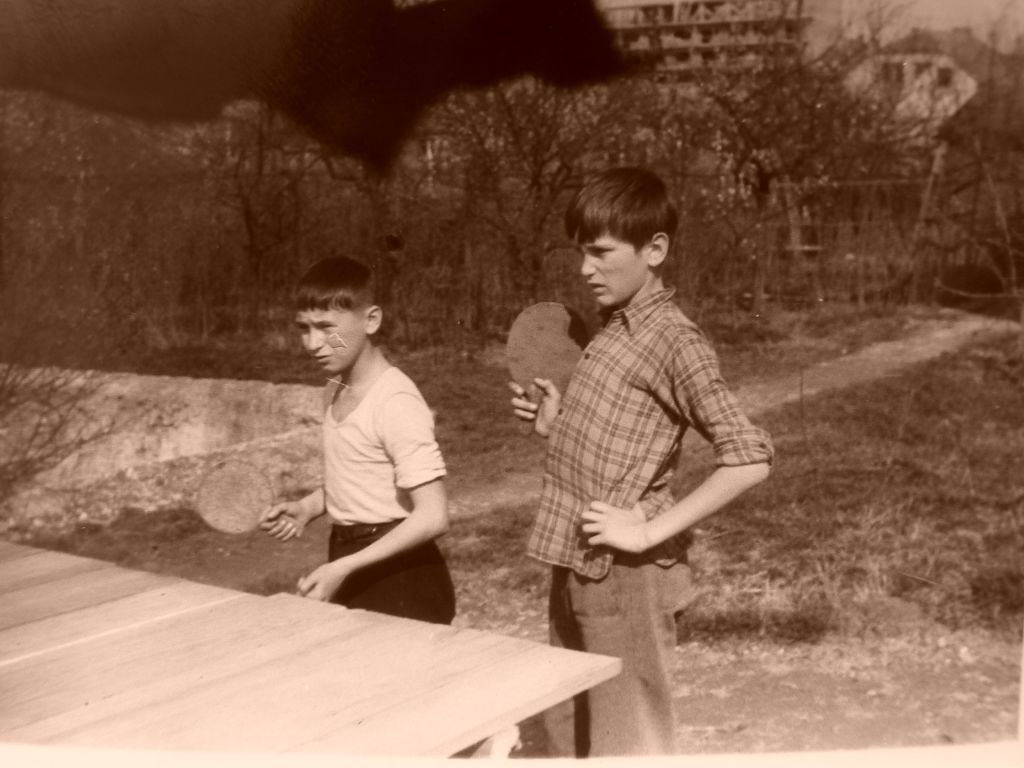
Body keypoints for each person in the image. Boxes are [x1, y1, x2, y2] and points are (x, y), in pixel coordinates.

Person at [509, 167, 774, 756]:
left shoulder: (674, 340)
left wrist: (650, 531)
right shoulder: (612, 329)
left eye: (601, 252)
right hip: (576, 563)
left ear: (655, 250)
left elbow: (749, 456)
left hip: (625, 577)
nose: (586, 269)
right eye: (581, 252)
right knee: (566, 731)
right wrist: (556, 423)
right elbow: (621, 447)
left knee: (627, 744)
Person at [261, 256, 456, 625]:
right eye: (303, 328)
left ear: (372, 320)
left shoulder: (395, 401)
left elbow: (434, 516)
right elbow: (360, 476)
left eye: (326, 327)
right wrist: (307, 507)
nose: (313, 343)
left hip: (402, 575)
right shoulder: (334, 388)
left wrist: (344, 567)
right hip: (350, 559)